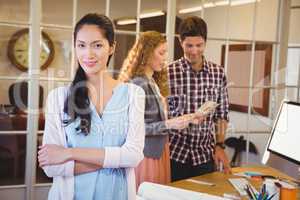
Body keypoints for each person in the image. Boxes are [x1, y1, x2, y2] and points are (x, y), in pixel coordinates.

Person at [38, 13, 145, 200]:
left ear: (111, 47)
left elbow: (134, 156)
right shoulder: (58, 98)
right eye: (81, 45)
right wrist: (115, 160)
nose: (88, 54)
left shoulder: (134, 94)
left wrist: (69, 153)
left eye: (97, 45)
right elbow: (51, 166)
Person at [119, 31, 204, 188]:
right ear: (147, 54)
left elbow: (162, 119)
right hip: (146, 156)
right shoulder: (139, 84)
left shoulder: (152, 82)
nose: (165, 58)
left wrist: (189, 118)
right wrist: (169, 125)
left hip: (159, 152)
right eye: (161, 53)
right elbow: (134, 128)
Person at [167, 16, 231, 182]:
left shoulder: (218, 73)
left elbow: (221, 115)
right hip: (173, 156)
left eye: (199, 45)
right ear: (181, 42)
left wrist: (220, 146)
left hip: (204, 157)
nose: (194, 51)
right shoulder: (168, 73)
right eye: (189, 45)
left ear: (205, 43)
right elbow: (160, 117)